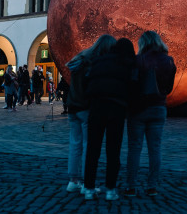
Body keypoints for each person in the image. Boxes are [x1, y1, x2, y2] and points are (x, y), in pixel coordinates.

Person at [125, 31, 177, 198]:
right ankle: (152, 186)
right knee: (155, 149)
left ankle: (131, 186)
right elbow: (169, 88)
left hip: (138, 109)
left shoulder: (138, 60)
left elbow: (131, 85)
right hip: (158, 107)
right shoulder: (168, 61)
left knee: (134, 148)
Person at [83, 38, 136, 201]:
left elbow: (88, 83)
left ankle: (89, 189)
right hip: (116, 108)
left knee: (93, 149)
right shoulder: (126, 63)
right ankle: (111, 190)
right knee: (113, 150)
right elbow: (132, 86)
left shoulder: (98, 60)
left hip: (97, 106)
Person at [64, 34, 116, 194]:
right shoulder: (92, 63)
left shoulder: (80, 58)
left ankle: (73, 180)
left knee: (75, 143)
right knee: (88, 145)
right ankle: (88, 182)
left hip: (72, 106)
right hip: (85, 107)